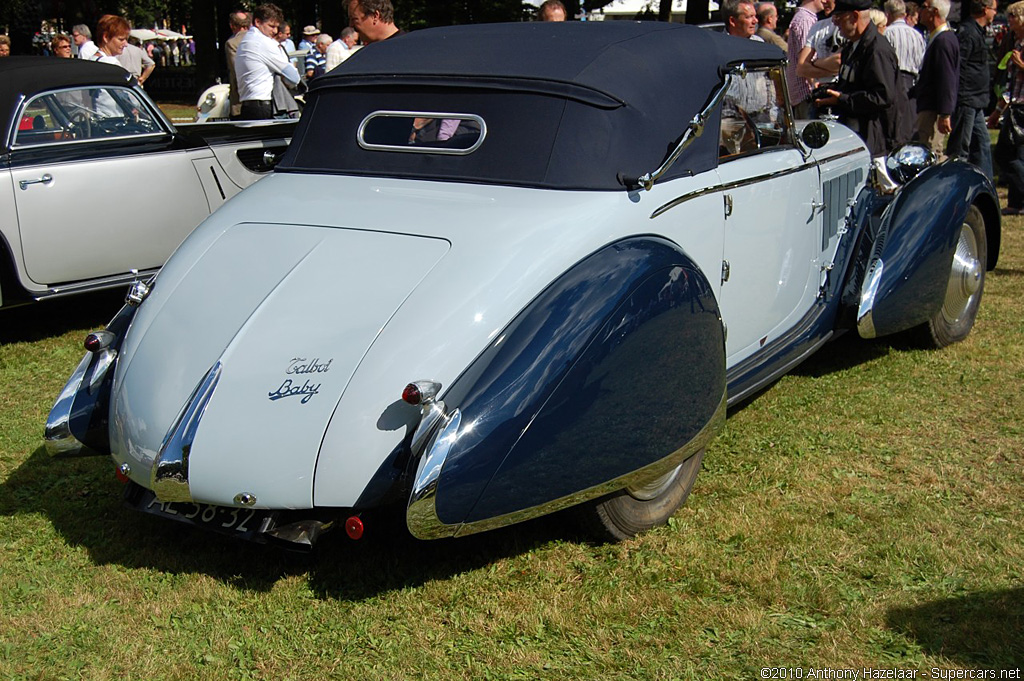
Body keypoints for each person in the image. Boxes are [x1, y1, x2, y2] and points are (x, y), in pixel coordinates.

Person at [814, 0, 908, 156]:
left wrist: (843, 99)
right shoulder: (852, 46)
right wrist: (830, 91)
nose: (835, 22)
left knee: (879, 180)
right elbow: (854, 83)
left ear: (854, 16)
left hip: (877, 142)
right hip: (859, 136)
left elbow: (882, 97)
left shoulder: (876, 49)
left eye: (839, 16)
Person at [948, 0, 997, 181]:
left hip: (976, 99)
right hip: (967, 99)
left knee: (982, 144)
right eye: (994, 10)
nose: (995, 14)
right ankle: (954, 185)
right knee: (960, 148)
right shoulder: (968, 33)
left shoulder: (977, 32)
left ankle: (984, 184)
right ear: (985, 10)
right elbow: (959, 67)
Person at [235, 3, 301, 120]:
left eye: (277, 27)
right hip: (263, 107)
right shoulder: (263, 42)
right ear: (258, 22)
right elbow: (294, 77)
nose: (275, 31)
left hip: (247, 105)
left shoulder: (245, 41)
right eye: (271, 26)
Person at [989, 0, 1024, 213]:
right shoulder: (1017, 42)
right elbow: (1012, 81)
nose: (1008, 20)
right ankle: (1016, 203)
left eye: (1012, 16)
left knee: (1004, 153)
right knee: (1016, 154)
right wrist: (998, 110)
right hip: (1015, 104)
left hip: (1022, 106)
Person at [913, 0, 959, 159]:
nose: (919, 10)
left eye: (923, 7)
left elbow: (946, 79)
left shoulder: (943, 41)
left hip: (933, 111)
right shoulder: (938, 38)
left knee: (931, 153)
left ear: (934, 12)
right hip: (930, 108)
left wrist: (944, 114)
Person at [883, 0, 925, 143]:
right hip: (912, 81)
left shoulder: (887, 33)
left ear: (888, 14)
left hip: (894, 79)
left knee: (894, 125)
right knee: (910, 126)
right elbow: (921, 61)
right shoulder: (917, 35)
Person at [797, 0, 844, 106]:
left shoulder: (846, 27)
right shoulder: (817, 26)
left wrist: (814, 63)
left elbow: (839, 61)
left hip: (841, 96)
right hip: (819, 97)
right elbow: (801, 68)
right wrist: (835, 70)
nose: (823, 1)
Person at [788, 0, 825, 118]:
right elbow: (806, 60)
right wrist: (815, 85)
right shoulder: (805, 20)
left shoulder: (805, 18)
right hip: (805, 94)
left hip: (802, 93)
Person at [225, 10, 251, 120]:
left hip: (241, 99)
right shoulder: (261, 40)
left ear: (232, 25)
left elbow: (236, 71)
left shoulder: (232, 43)